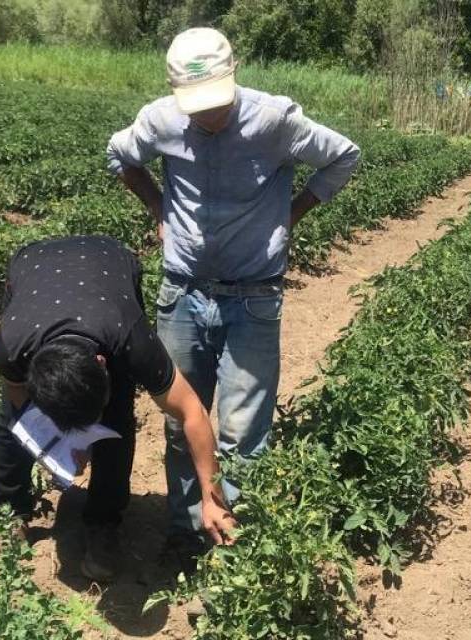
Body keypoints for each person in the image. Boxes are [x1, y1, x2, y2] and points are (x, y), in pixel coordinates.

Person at [106, 27, 362, 570]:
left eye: (216, 104)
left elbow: (343, 156)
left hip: (253, 297)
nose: (208, 117)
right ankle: (185, 529)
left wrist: (290, 216)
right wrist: (158, 210)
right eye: (196, 107)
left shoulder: (274, 120)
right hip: (183, 291)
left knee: (245, 431)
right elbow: (119, 155)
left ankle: (230, 542)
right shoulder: (160, 120)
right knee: (181, 421)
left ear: (235, 73)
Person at [0, 234, 235, 583]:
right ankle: (10, 514)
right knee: (13, 423)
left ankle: (103, 522)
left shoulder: (130, 339)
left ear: (103, 362)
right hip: (34, 264)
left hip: (110, 261)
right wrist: (53, 445)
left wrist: (213, 500)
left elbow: (192, 412)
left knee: (116, 419)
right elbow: (17, 397)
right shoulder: (12, 346)